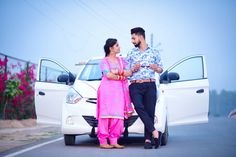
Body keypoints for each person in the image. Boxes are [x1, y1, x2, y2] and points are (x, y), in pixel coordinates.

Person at [126, 27, 163, 149]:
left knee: (150, 112)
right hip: (135, 85)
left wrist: (155, 68)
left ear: (140, 36)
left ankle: (148, 140)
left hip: (150, 85)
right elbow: (126, 72)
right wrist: (133, 69)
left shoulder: (154, 52)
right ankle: (155, 132)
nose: (132, 41)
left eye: (133, 38)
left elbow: (161, 69)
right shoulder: (131, 53)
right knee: (139, 107)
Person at [96, 38, 134, 149]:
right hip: (106, 91)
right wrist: (121, 76)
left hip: (119, 91)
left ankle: (114, 140)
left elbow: (129, 72)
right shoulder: (104, 61)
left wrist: (117, 72)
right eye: (117, 45)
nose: (119, 47)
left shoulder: (122, 60)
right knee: (105, 116)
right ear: (111, 48)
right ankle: (103, 141)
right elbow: (108, 75)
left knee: (118, 116)